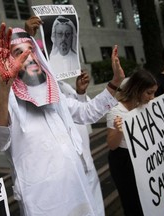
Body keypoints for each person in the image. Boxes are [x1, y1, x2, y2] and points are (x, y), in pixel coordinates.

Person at [0, 23, 125, 216]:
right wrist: (1, 85)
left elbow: (86, 113)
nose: (29, 57)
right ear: (5, 60)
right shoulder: (2, 100)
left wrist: (115, 83)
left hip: (78, 191)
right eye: (18, 52)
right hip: (44, 203)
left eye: (31, 50)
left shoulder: (53, 92)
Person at [106, 69, 158, 216]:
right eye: (149, 93)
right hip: (125, 161)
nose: (152, 97)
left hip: (143, 157)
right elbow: (112, 145)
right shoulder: (116, 112)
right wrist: (119, 129)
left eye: (154, 93)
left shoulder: (143, 105)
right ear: (137, 90)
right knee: (133, 201)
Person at [58, 71, 105, 216]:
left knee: (97, 209)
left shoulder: (64, 86)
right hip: (69, 173)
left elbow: (85, 113)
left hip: (87, 162)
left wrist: (80, 93)